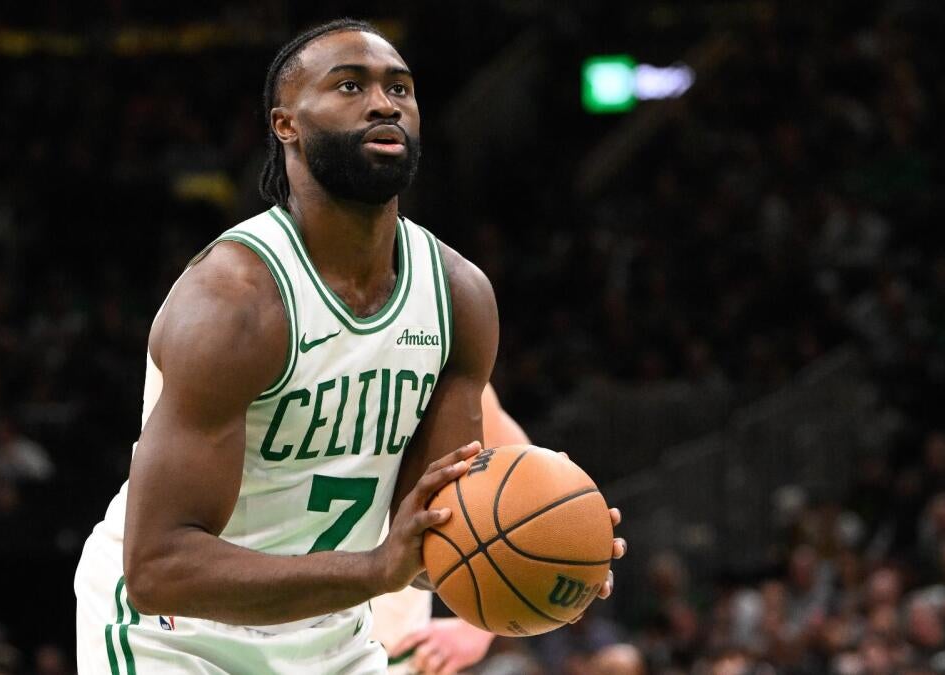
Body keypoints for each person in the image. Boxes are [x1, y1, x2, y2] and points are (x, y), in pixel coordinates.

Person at [74, 18, 626, 674]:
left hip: (332, 631)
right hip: (178, 636)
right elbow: (158, 569)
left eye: (400, 88)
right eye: (349, 86)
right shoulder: (235, 302)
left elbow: (433, 536)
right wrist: (375, 568)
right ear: (286, 125)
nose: (383, 103)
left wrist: (551, 548)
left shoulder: (459, 297)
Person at [371, 383, 531, 675]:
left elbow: (532, 488)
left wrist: (479, 628)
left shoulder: (440, 368)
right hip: (281, 646)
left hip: (396, 660)